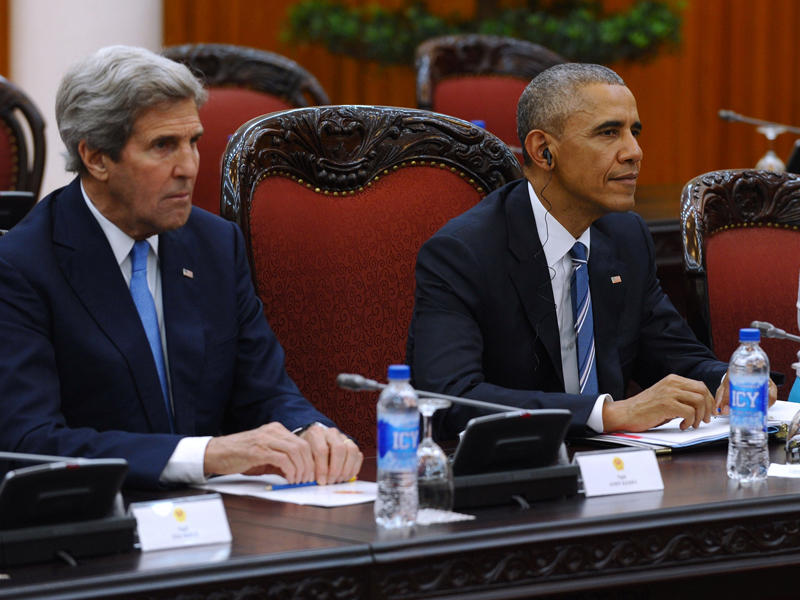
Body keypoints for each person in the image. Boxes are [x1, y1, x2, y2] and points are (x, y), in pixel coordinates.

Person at [0, 46, 362, 489]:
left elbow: (264, 390)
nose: (189, 167)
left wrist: (307, 432)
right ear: (96, 158)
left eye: (193, 141)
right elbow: (31, 441)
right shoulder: (21, 266)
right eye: (163, 146)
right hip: (99, 516)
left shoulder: (215, 245)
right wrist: (205, 455)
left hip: (224, 513)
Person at [407, 63, 776, 440]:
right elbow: (450, 397)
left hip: (621, 465)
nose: (634, 152)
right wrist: (607, 414)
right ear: (543, 150)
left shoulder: (626, 236)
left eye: (634, 132)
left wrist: (730, 378)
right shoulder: (463, 253)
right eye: (609, 133)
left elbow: (674, 356)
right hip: (517, 465)